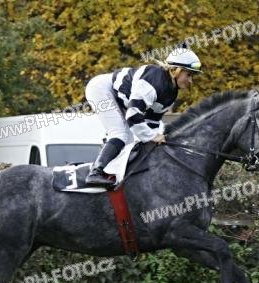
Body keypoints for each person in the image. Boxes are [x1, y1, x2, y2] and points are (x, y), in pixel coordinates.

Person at [84, 45, 202, 187]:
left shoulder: (171, 93)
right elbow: (133, 116)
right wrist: (153, 137)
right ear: (175, 70)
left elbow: (152, 121)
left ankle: (113, 171)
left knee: (131, 139)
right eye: (188, 74)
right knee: (121, 134)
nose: (190, 80)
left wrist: (157, 138)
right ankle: (95, 172)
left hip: (120, 98)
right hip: (102, 90)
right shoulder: (153, 81)